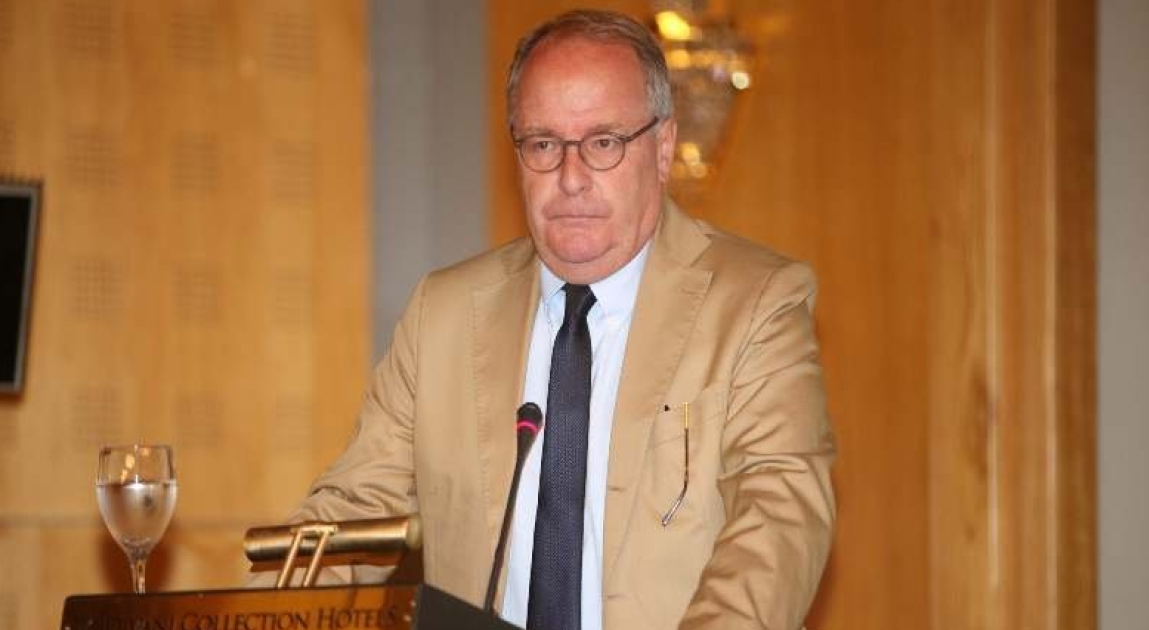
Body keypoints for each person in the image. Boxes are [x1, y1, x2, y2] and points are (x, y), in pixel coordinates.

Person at [271, 9, 835, 629]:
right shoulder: (444, 315)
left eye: (603, 143)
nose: (570, 178)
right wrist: (261, 616)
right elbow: (348, 518)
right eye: (543, 144)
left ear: (662, 148)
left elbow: (777, 521)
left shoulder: (756, 304)